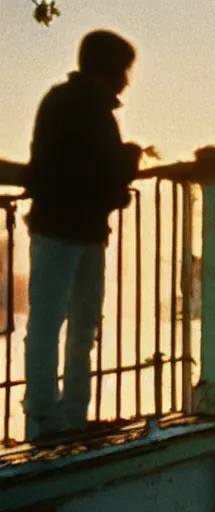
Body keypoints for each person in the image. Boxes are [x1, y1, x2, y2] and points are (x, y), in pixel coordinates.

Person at [22, 30, 142, 444]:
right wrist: (127, 162)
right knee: (60, 326)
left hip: (72, 229)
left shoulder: (67, 104)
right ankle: (50, 419)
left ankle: (60, 418)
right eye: (124, 70)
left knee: (63, 325)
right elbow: (91, 172)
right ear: (108, 69)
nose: (127, 80)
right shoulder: (83, 110)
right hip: (70, 230)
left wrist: (118, 166)